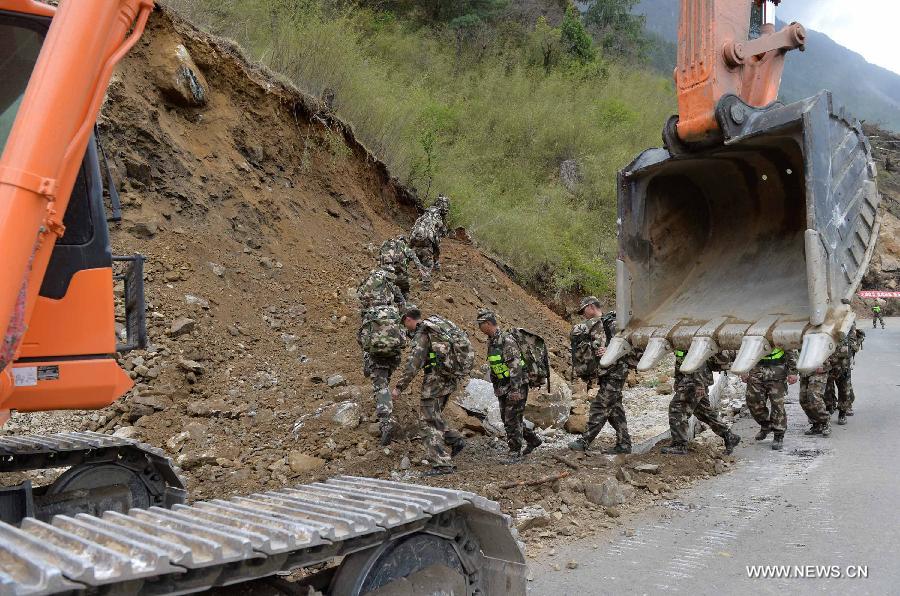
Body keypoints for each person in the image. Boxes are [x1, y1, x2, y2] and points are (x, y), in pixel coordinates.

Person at [392, 305, 470, 476]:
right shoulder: (438, 326)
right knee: (434, 416)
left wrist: (399, 387)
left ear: (408, 319)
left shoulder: (424, 333)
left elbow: (413, 365)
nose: (406, 328)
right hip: (449, 379)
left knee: (427, 421)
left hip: (435, 381)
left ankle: (442, 463)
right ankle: (455, 439)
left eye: (405, 324)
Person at [568, 296, 634, 454]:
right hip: (606, 372)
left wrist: (610, 350)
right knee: (614, 408)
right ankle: (624, 444)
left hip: (617, 370)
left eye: (584, 310)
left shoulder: (612, 322)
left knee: (600, 405)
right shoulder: (594, 325)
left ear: (591, 306)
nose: (583, 314)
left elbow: (629, 341)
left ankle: (585, 441)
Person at [476, 308, 542, 462]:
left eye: (480, 324)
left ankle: (514, 452)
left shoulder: (507, 341)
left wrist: (515, 390)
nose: (479, 328)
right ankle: (533, 440)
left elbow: (516, 367)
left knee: (512, 419)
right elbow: (496, 365)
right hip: (503, 387)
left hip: (516, 386)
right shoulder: (492, 341)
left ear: (487, 323)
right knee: (510, 419)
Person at [356, 266, 407, 445]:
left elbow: (362, 338)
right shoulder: (391, 284)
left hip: (374, 338)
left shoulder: (367, 280)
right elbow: (402, 304)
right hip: (393, 350)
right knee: (385, 375)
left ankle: (386, 422)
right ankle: (384, 390)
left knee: (380, 384)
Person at [661, 350, 741, 455]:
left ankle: (679, 445)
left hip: (694, 379)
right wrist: (678, 379)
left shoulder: (687, 334)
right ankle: (729, 436)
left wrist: (699, 383)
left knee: (677, 409)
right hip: (692, 378)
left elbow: (698, 356)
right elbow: (682, 357)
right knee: (704, 412)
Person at [743, 348, 798, 451]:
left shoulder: (779, 331)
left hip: (777, 371)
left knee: (777, 405)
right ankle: (766, 425)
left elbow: (790, 348)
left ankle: (778, 434)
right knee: (753, 401)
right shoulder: (753, 331)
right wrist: (743, 369)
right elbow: (745, 349)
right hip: (756, 370)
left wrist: (793, 371)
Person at [825, 325, 864, 425]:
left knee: (844, 390)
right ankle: (829, 409)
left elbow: (853, 345)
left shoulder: (848, 324)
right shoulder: (826, 325)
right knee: (827, 389)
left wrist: (857, 343)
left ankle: (842, 413)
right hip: (828, 363)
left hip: (843, 365)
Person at [409, 195, 450, 274]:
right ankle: (426, 279)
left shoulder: (426, 213)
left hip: (414, 237)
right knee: (427, 263)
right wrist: (436, 261)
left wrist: (409, 246)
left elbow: (415, 227)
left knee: (418, 251)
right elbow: (437, 242)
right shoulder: (438, 218)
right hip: (426, 239)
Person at [799, 361, 832, 438]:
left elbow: (832, 350)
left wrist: (825, 366)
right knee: (803, 400)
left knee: (813, 397)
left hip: (819, 370)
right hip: (805, 370)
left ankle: (825, 421)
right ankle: (816, 424)